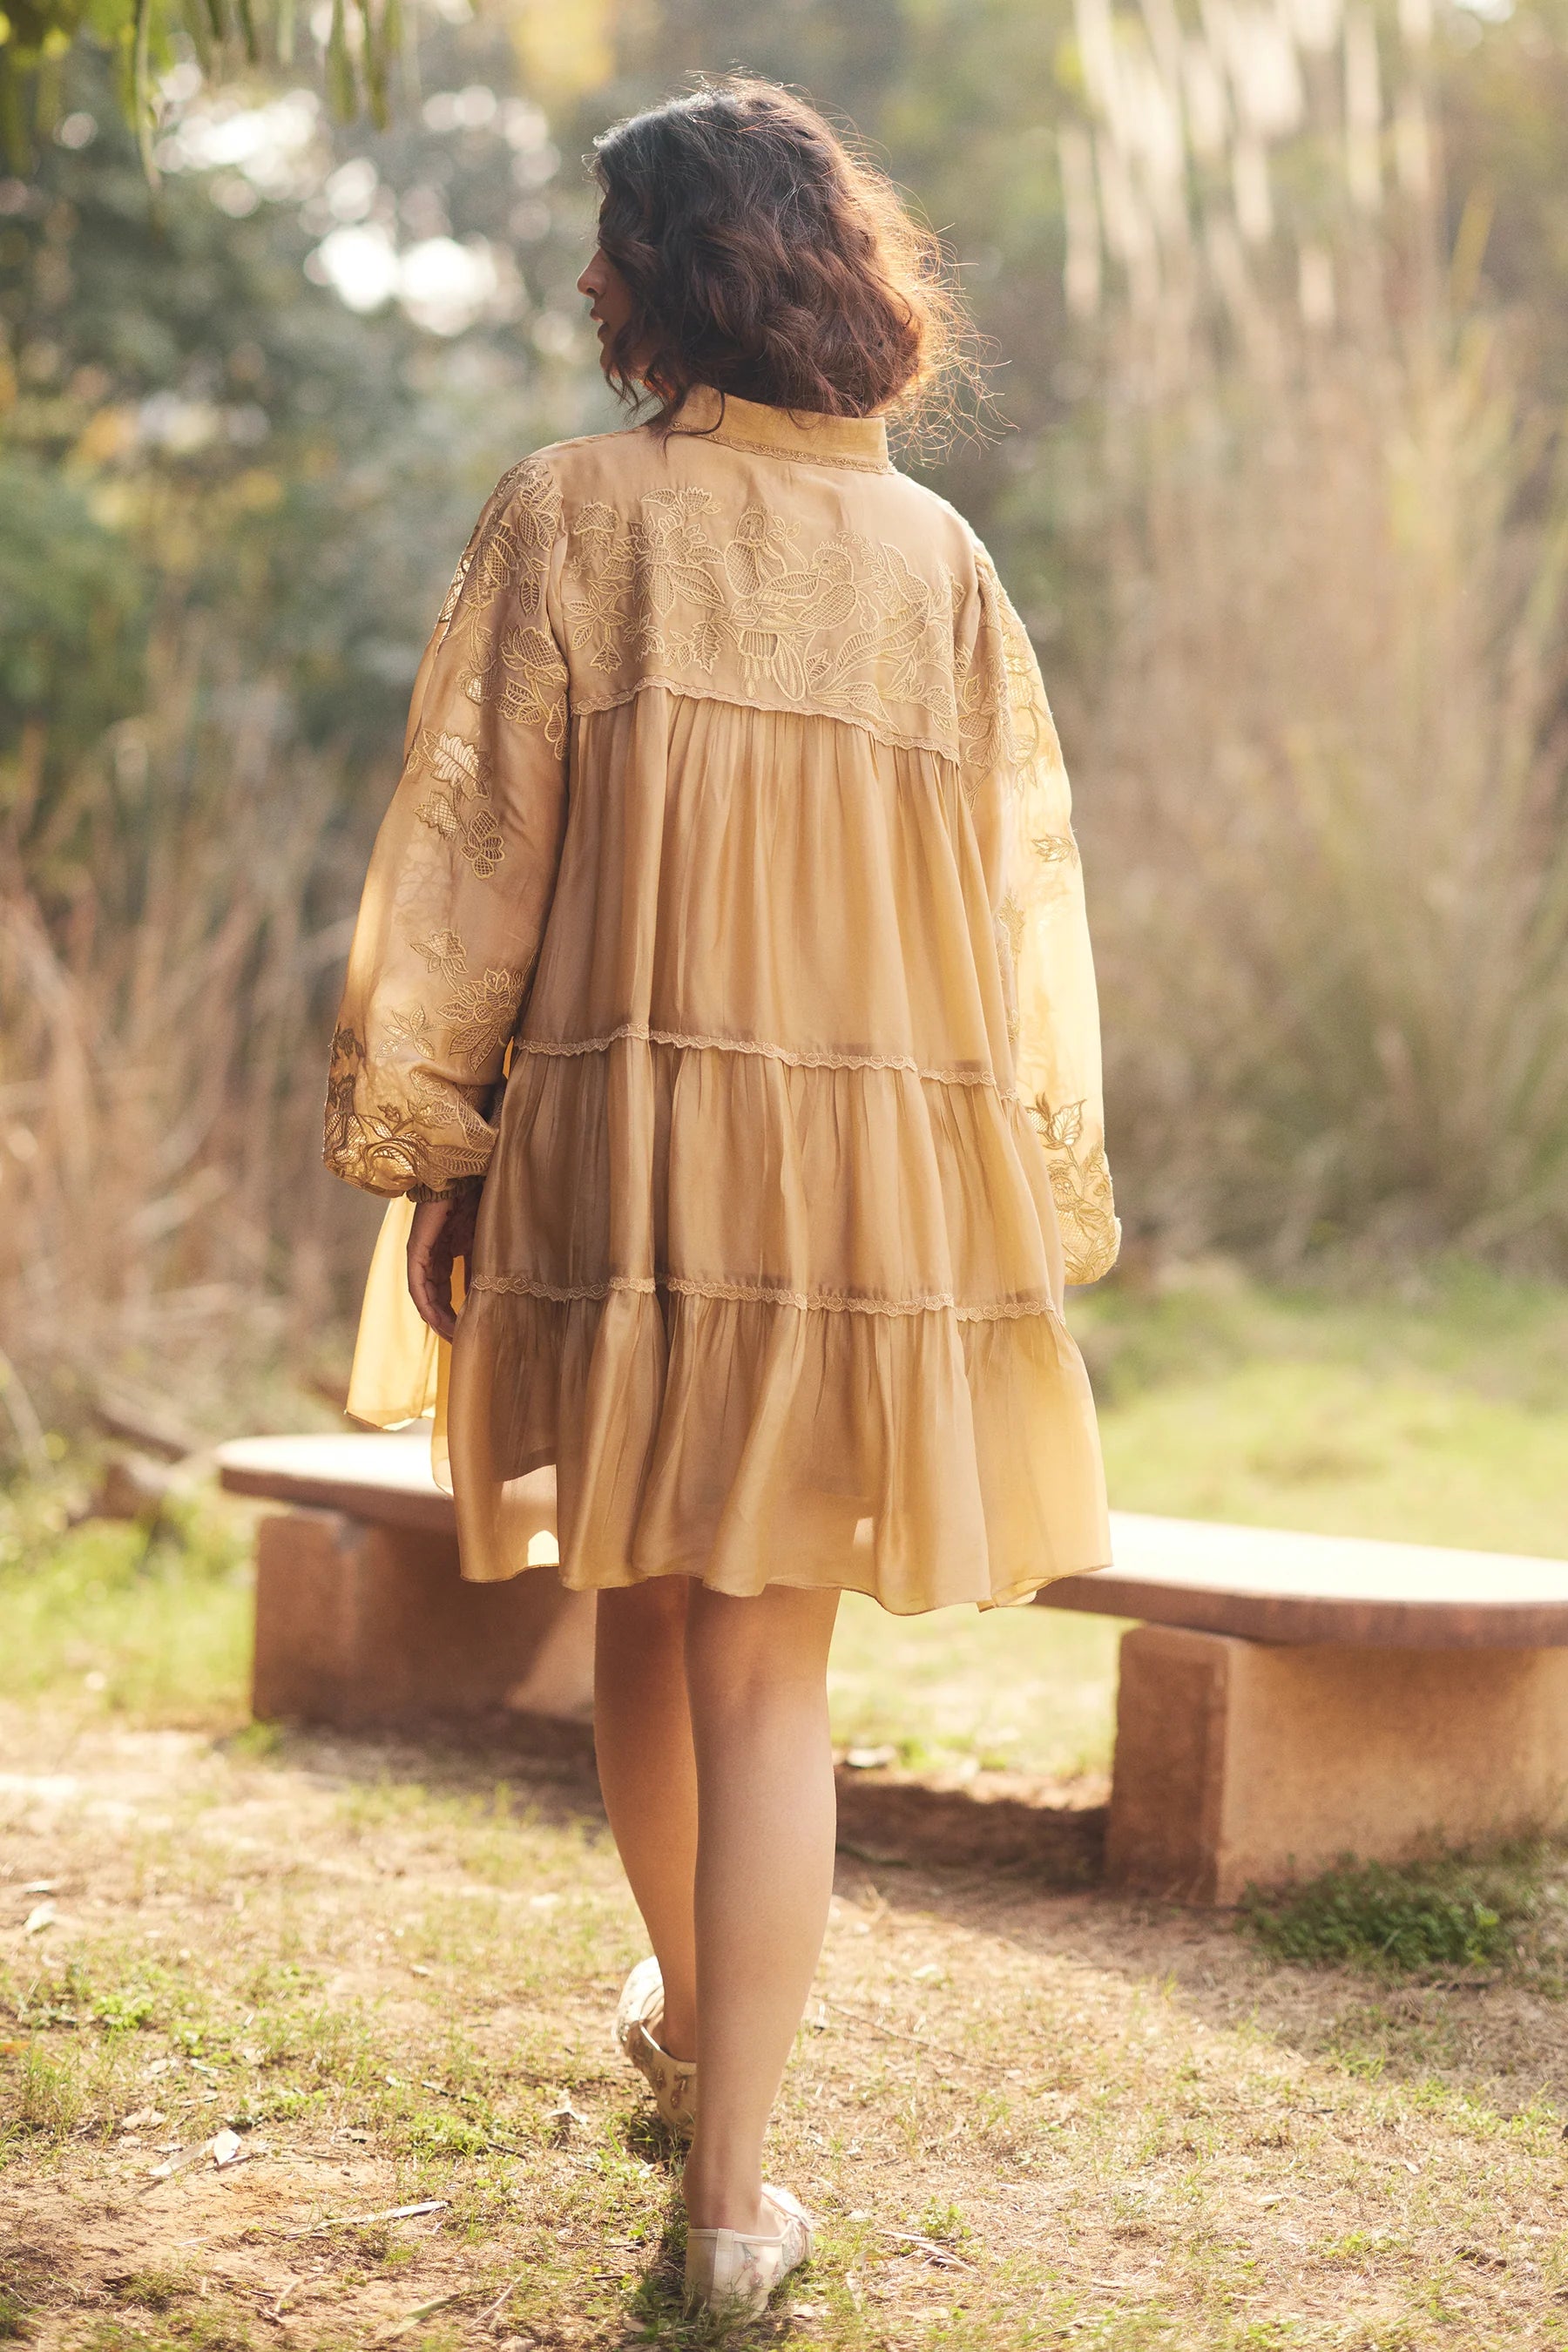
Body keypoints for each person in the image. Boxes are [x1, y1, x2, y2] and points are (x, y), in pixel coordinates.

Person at [323, 75, 1119, 2322]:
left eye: (610, 239)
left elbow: (471, 857)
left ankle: (699, 2055)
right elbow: (1017, 905)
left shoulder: (571, 514)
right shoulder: (939, 560)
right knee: (763, 1660)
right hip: (864, 1172)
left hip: (620, 1145)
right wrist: (1010, 1169)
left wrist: (434, 1132)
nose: (587, 277)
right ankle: (729, 2180)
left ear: (674, 269)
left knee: (649, 1604)